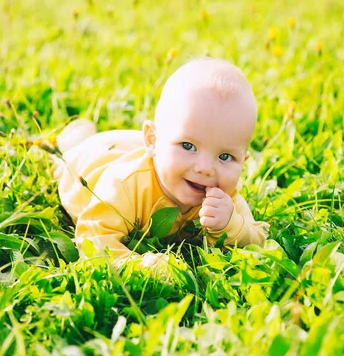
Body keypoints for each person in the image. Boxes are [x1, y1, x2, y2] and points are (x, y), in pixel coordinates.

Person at [52, 58, 269, 266]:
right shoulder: (123, 185)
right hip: (92, 158)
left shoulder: (225, 196)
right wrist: (144, 266)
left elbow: (259, 240)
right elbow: (94, 242)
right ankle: (76, 134)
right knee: (71, 149)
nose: (205, 168)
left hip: (143, 147)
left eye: (224, 157)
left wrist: (231, 225)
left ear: (243, 162)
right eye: (188, 146)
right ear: (152, 140)